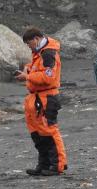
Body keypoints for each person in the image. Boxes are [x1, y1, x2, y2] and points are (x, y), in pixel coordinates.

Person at [15, 26, 66, 176]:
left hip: (47, 97)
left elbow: (48, 77)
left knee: (49, 131)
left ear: (36, 39)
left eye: (28, 43)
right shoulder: (39, 53)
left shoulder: (49, 53)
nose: (28, 46)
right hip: (37, 97)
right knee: (37, 133)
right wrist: (27, 69)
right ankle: (44, 164)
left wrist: (28, 77)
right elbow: (35, 67)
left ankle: (57, 165)